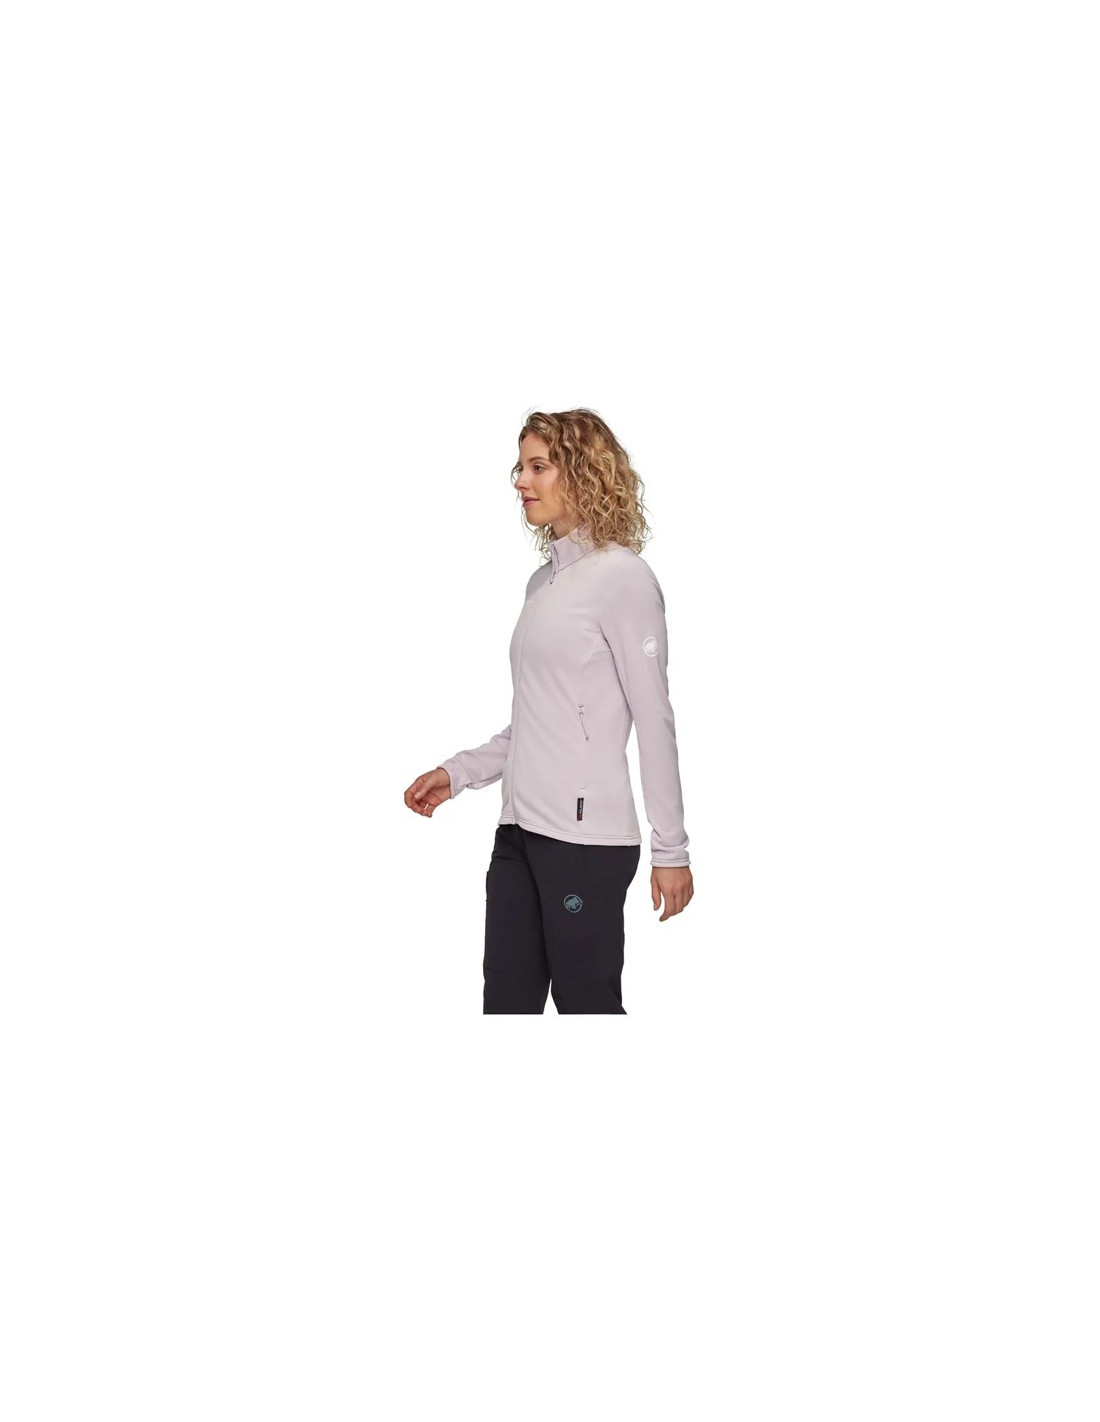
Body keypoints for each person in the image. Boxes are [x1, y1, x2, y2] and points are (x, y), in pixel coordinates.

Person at [404, 409, 694, 1014]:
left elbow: (655, 720)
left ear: (584, 472)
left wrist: (671, 850)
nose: (521, 481)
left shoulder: (623, 578)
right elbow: (537, 720)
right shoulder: (543, 585)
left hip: (583, 842)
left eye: (538, 467)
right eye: (520, 467)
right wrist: (457, 773)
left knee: (588, 1007)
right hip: (517, 835)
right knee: (506, 1004)